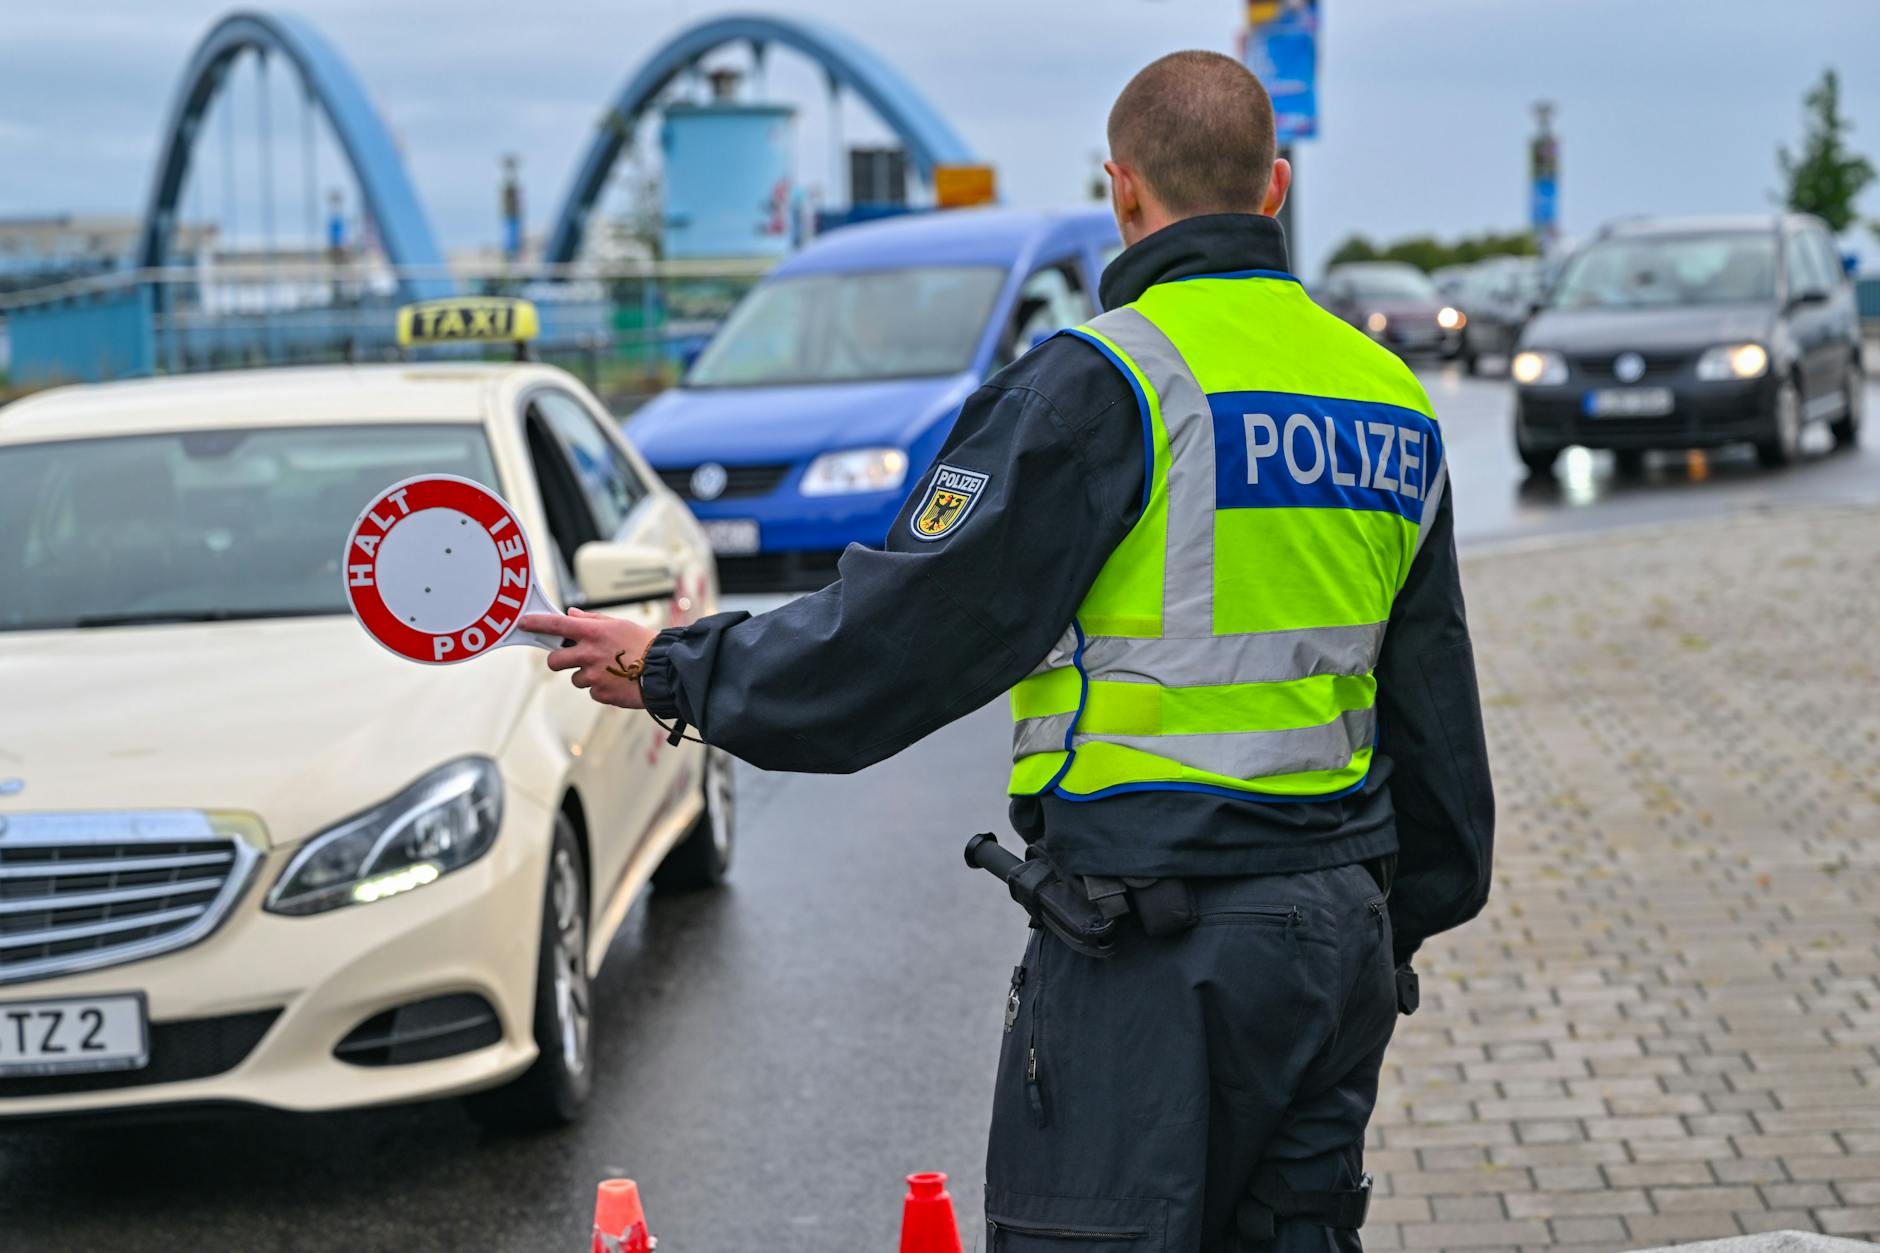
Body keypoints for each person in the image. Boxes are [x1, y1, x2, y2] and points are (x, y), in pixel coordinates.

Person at [523, 49, 1493, 1253]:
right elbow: (1434, 706)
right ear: (1274, 188)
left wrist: (676, 667)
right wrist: (1393, 916)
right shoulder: (1387, 396)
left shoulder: (1106, 383)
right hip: (1334, 935)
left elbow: (901, 636)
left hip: (1156, 947)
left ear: (1121, 191)